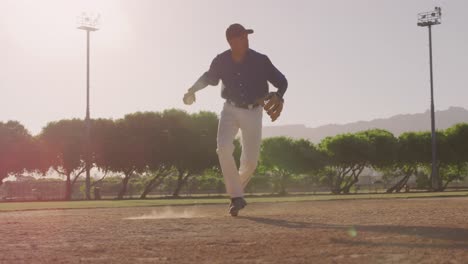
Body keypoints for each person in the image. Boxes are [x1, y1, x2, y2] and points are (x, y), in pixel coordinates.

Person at [183, 23, 288, 216]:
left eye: (247, 36)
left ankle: (235, 190)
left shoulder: (260, 60)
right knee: (223, 147)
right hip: (230, 109)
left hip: (254, 112)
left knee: (251, 163)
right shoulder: (221, 60)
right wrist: (192, 90)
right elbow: (209, 78)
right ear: (232, 41)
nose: (246, 39)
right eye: (242, 36)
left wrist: (279, 95)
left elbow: (282, 81)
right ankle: (236, 197)